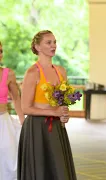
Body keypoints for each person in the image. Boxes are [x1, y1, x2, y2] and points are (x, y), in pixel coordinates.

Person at [18, 30, 77, 180]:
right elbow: (25, 108)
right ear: (38, 47)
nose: (53, 46)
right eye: (48, 42)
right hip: (36, 128)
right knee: (40, 170)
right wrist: (55, 113)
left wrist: (64, 113)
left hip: (56, 126)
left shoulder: (61, 71)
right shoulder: (32, 73)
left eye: (55, 42)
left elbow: (62, 101)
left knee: (59, 169)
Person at [0, 41, 24, 180]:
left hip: (4, 122)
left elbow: (16, 99)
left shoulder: (8, 74)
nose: (0, 54)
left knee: (9, 162)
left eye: (1, 51)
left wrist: (23, 121)